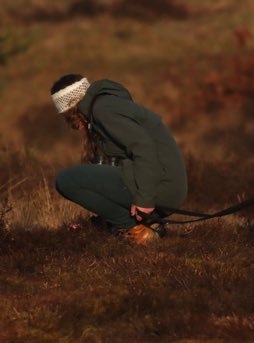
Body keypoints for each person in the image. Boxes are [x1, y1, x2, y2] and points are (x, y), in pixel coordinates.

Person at [50, 74, 187, 244]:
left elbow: (143, 148)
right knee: (88, 175)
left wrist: (144, 201)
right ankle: (131, 226)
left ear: (71, 111)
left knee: (67, 180)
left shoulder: (103, 110)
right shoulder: (106, 107)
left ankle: (133, 227)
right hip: (161, 184)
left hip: (162, 187)